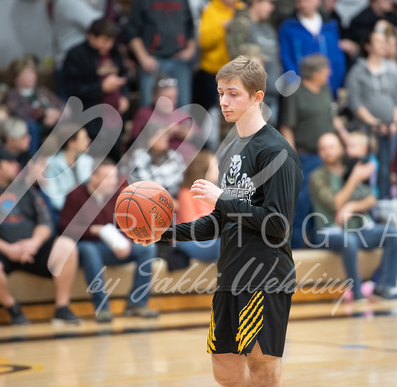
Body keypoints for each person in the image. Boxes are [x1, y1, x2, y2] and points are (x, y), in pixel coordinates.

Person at [138, 56, 303, 386]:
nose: (224, 101)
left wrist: (223, 199)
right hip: (230, 275)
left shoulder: (276, 151)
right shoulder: (232, 151)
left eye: (233, 94)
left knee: (262, 368)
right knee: (225, 370)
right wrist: (162, 234)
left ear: (258, 97)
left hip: (264, 276)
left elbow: (278, 225)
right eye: (220, 93)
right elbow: (217, 222)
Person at [0, 147, 80, 325]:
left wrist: (34, 243)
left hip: (32, 248)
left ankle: (62, 307)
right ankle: (12, 307)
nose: (17, 166)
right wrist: (8, 249)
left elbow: (46, 222)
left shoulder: (26, 191)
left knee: (67, 246)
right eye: (10, 163)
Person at [59, 159, 159, 323]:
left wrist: (126, 242)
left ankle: (137, 303)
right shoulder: (75, 195)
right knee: (89, 250)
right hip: (90, 246)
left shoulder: (117, 196)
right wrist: (94, 230)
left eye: (114, 177)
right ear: (93, 176)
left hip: (113, 246)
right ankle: (102, 308)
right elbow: (65, 227)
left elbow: (127, 224)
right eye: (107, 177)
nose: (112, 182)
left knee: (148, 248)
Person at [309, 132, 397, 301]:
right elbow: (334, 204)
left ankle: (385, 286)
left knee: (393, 234)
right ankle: (357, 292)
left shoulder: (350, 169)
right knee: (347, 241)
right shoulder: (317, 176)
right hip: (329, 232)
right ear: (319, 153)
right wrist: (355, 178)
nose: (327, 152)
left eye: (331, 147)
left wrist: (351, 206)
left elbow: (372, 199)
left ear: (341, 149)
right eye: (323, 149)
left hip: (359, 230)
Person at [279, 53, 346, 248]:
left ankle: (322, 246)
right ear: (314, 72)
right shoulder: (295, 93)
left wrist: (344, 136)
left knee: (324, 204)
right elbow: (286, 127)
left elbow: (332, 116)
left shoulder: (325, 89)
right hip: (305, 156)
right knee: (302, 204)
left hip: (328, 158)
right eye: (325, 69)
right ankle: (296, 252)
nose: (329, 73)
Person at [345, 29, 397, 198]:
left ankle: (383, 202)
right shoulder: (358, 70)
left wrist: (395, 123)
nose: (383, 45)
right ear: (368, 46)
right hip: (366, 129)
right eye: (378, 41)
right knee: (367, 167)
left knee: (385, 168)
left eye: (385, 41)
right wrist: (374, 123)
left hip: (390, 129)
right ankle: (366, 206)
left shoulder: (391, 72)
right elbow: (355, 101)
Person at [63, 18, 129, 162]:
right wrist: (101, 88)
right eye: (104, 40)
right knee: (93, 162)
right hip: (91, 120)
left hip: (115, 119)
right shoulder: (76, 55)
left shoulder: (114, 52)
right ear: (91, 36)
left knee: (114, 160)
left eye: (111, 41)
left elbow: (122, 77)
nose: (108, 45)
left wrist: (124, 96)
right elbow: (72, 89)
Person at [127, 0, 196, 108]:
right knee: (148, 108)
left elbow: (190, 27)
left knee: (183, 108)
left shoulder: (183, 1)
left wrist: (191, 50)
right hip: (153, 61)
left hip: (180, 61)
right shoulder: (141, 2)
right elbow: (132, 31)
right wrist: (143, 57)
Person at [226, 0, 281, 125]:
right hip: (251, 96)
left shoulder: (269, 29)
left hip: (272, 92)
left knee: (268, 140)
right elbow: (235, 57)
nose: (272, 8)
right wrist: (253, 56)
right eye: (269, 3)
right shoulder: (240, 24)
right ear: (256, 2)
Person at [278, 0, 346, 97]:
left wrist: (335, 84)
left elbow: (337, 57)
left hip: (328, 87)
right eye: (299, 1)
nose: (303, 4)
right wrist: (297, 84)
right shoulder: (288, 26)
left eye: (307, 1)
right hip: (300, 89)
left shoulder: (330, 26)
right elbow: (286, 58)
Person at [131, 74, 202, 163]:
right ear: (154, 97)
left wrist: (189, 135)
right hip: (160, 164)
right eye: (166, 98)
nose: (170, 102)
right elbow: (134, 145)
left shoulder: (183, 115)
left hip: (190, 163)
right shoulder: (145, 114)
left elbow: (203, 143)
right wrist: (166, 132)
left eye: (173, 97)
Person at [194, 0, 242, 114]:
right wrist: (222, 28)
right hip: (212, 71)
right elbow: (203, 41)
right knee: (210, 110)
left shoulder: (241, 10)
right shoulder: (210, 10)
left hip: (236, 72)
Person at [50, 0, 106, 98]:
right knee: (71, 108)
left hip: (78, 62)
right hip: (70, 63)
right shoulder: (69, 2)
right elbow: (100, 24)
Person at [174, 150, 221, 262]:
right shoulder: (186, 193)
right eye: (215, 165)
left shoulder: (215, 193)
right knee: (225, 241)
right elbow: (192, 227)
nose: (218, 170)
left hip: (212, 239)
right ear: (204, 169)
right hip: (191, 241)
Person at [3, 56, 64, 139]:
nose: (32, 77)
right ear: (16, 78)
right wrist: (45, 113)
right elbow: (20, 114)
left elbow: (62, 105)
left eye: (33, 73)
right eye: (27, 74)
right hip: (31, 131)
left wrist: (57, 114)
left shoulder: (43, 91)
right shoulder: (12, 96)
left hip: (54, 125)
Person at [129, 120, 185, 204]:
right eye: (158, 135)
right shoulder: (140, 156)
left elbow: (184, 181)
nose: (164, 138)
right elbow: (146, 188)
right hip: (150, 203)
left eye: (165, 134)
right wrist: (169, 202)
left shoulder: (174, 155)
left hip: (177, 200)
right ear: (148, 138)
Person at [43, 126, 93, 213]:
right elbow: (54, 197)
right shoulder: (50, 164)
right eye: (84, 138)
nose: (88, 141)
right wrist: (75, 208)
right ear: (71, 143)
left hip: (86, 211)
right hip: (63, 212)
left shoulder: (88, 161)